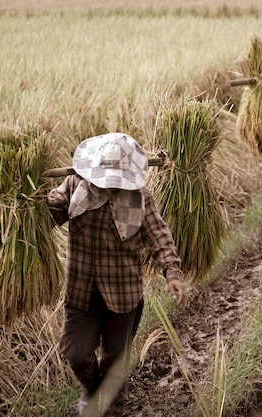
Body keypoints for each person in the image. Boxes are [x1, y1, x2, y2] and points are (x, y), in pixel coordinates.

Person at [46, 133, 187, 416]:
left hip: (123, 294)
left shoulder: (139, 197)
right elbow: (48, 212)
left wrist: (172, 272)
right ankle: (94, 389)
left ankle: (109, 397)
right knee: (76, 352)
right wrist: (22, 199)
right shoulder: (75, 185)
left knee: (115, 357)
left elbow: (160, 236)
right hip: (81, 290)